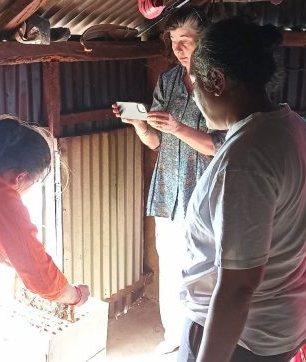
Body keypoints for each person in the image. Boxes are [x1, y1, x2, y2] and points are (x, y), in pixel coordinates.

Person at [179, 17, 306, 362]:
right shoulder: (293, 126)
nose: (194, 95)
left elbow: (238, 287)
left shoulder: (246, 158)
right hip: (284, 314)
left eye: (194, 82)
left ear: (216, 80)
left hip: (244, 336)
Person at [112, 7, 226, 354]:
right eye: (175, 41)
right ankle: (174, 335)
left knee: (204, 266)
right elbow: (156, 142)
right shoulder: (169, 81)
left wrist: (178, 127)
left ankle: (205, 339)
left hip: (203, 189)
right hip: (167, 188)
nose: (179, 49)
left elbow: (218, 145)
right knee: (170, 261)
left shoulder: (219, 81)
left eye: (186, 41)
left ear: (203, 40)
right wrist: (139, 124)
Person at [0, 115, 90, 307]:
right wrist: (76, 295)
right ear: (19, 177)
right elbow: (41, 277)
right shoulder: (0, 197)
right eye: (34, 181)